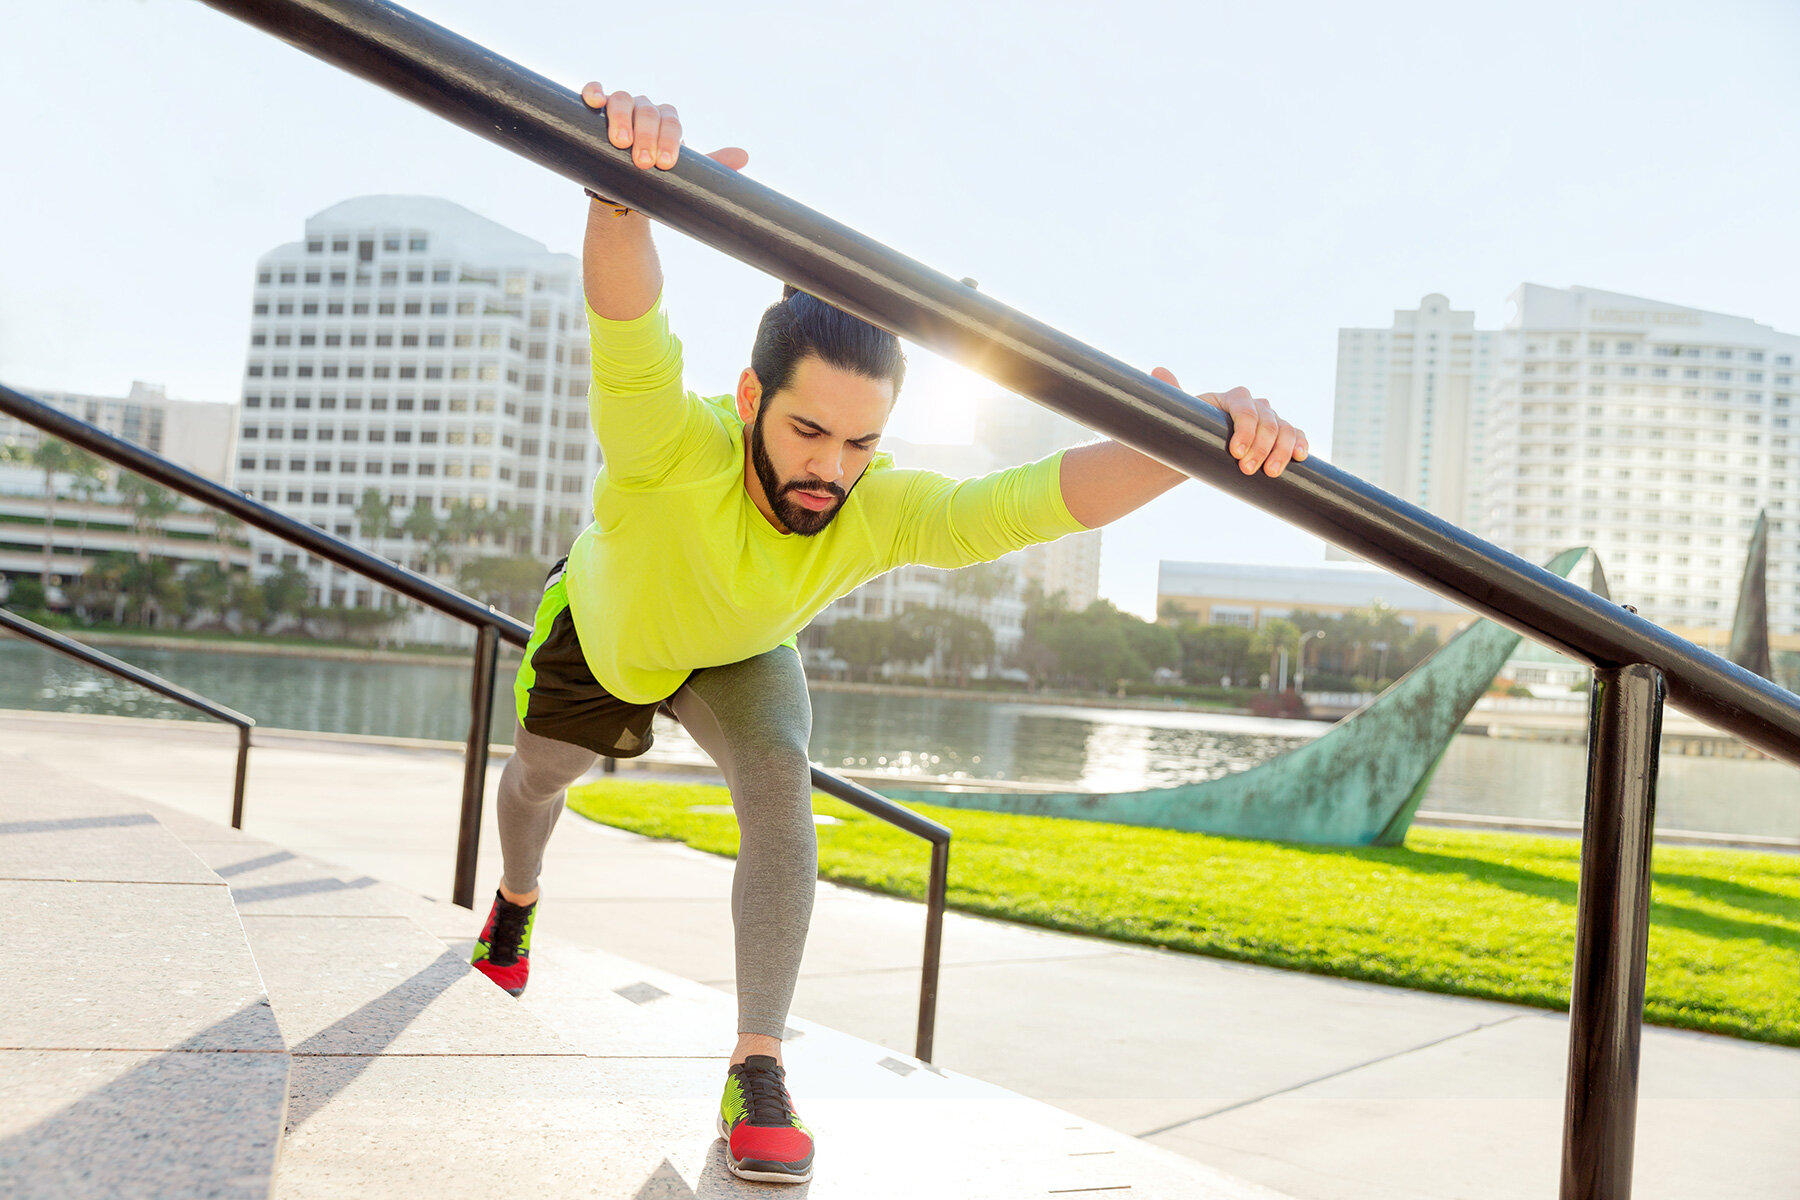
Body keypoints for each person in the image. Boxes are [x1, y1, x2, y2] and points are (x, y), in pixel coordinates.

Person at [470, 83, 1309, 1185]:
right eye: (808, 429)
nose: (831, 466)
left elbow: (1026, 503)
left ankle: (756, 1067)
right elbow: (628, 328)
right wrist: (621, 195)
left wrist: (1199, 440)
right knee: (538, 786)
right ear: (750, 396)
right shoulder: (670, 447)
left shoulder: (878, 502)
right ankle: (517, 902)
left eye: (861, 441)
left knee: (780, 786)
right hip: (604, 638)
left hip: (737, 656)